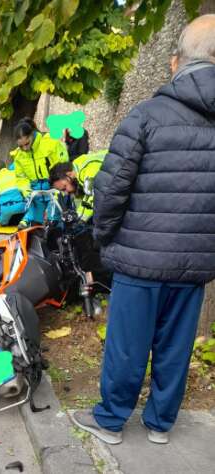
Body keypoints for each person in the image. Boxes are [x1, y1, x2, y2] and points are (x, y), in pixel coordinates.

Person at [70, 14, 215, 446]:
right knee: (175, 347)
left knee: (128, 346)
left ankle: (112, 422)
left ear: (176, 62)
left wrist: (104, 236)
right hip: (193, 266)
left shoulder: (147, 115)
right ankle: (160, 426)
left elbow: (111, 188)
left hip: (139, 257)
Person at [11, 118, 68, 230]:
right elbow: (21, 178)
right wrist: (27, 192)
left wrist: (58, 187)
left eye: (27, 143)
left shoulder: (50, 144)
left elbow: (63, 167)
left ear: (32, 134)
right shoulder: (19, 156)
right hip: (35, 194)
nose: (25, 148)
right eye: (21, 146)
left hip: (54, 190)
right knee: (36, 229)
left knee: (54, 225)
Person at [49, 149, 107, 223]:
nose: (66, 193)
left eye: (64, 188)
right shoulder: (78, 168)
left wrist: (77, 218)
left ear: (69, 174)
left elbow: (93, 196)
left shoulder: (87, 169)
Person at [0, 164, 30, 229]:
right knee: (31, 211)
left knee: (3, 222)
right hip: (20, 205)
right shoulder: (15, 174)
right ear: (6, 167)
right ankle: (24, 222)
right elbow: (26, 190)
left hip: (5, 208)